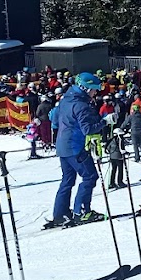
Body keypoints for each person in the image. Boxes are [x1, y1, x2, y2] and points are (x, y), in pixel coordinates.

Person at [46, 72, 106, 229]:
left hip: (62, 147)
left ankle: (60, 214)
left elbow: (53, 116)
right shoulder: (81, 105)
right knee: (90, 176)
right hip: (74, 147)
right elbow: (88, 130)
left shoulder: (66, 99)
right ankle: (81, 212)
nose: (95, 93)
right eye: (93, 90)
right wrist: (105, 121)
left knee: (67, 180)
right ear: (85, 88)